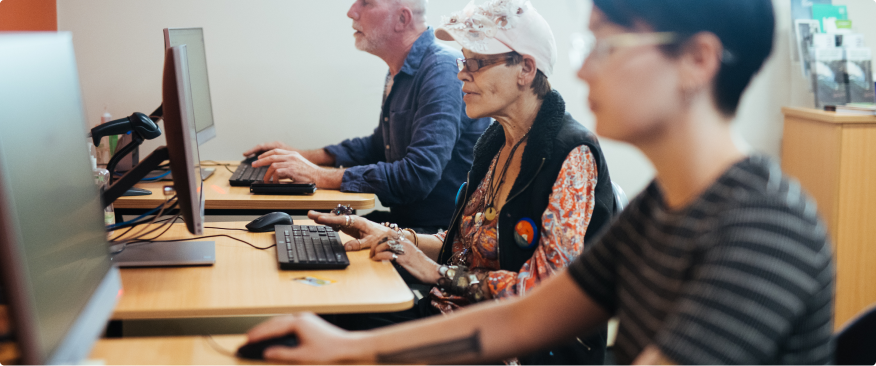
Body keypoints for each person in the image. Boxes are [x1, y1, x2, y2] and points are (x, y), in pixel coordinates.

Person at [243, 0, 836, 365]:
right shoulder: (666, 206)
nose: (579, 69)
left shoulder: (764, 228)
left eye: (607, 45)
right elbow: (525, 317)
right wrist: (344, 349)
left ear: (698, 61)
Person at [310, 1, 615, 364]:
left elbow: (545, 292)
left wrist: (440, 275)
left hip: (516, 349)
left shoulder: (571, 154)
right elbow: (466, 244)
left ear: (526, 70)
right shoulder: (496, 142)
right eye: (463, 61)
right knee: (327, 311)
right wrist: (399, 239)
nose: (462, 75)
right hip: (456, 318)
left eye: (478, 63)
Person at [244, 0, 490, 233]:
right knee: (308, 234)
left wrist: (319, 175)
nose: (352, 11)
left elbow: (417, 176)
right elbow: (377, 146)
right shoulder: (401, 69)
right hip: (408, 225)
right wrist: (300, 158)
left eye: (366, 2)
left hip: (437, 238)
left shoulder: (442, 70)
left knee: (314, 244)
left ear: (402, 18)